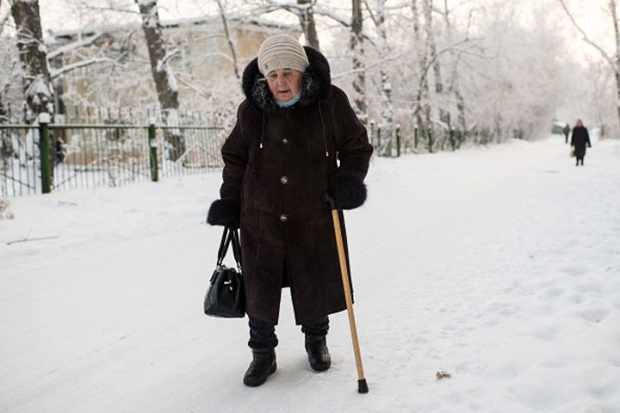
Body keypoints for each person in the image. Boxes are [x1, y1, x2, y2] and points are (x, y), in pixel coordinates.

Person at [206, 34, 373, 387]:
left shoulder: (330, 103)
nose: (280, 82)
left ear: (303, 72)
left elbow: (356, 146)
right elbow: (235, 157)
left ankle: (317, 342)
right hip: (260, 216)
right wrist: (231, 201)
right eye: (273, 75)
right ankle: (262, 355)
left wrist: (346, 183)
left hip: (314, 213)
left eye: (288, 73)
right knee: (259, 285)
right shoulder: (251, 109)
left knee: (312, 277)